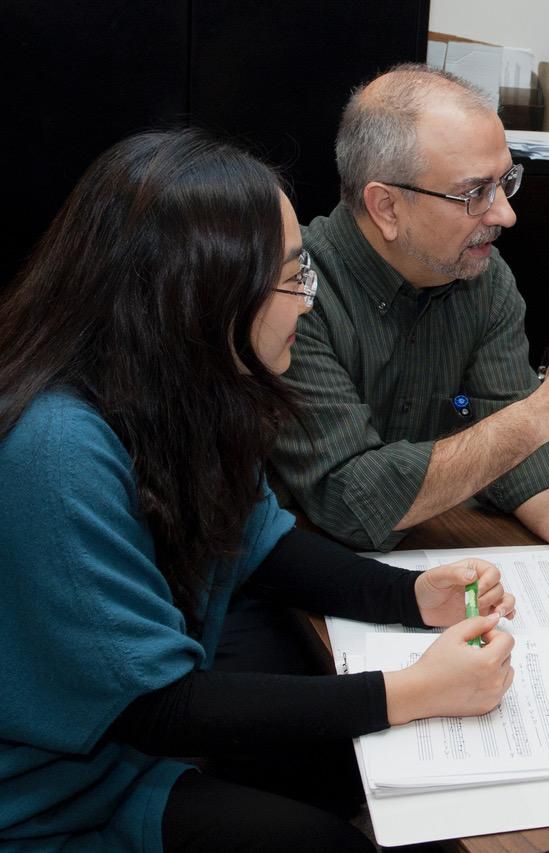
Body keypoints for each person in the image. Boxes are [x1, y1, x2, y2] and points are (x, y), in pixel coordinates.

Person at [0, 129, 519, 851]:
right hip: (43, 803)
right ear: (198, 296)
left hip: (120, 767)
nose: (306, 304)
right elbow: (157, 703)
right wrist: (414, 692)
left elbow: (259, 543)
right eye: (290, 278)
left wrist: (408, 596)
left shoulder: (191, 393)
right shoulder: (56, 449)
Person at [270, 64, 549, 602]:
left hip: (437, 576)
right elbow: (352, 500)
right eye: (473, 193)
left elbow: (520, 449)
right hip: (304, 590)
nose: (504, 214)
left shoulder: (482, 279)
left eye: (505, 181)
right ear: (385, 206)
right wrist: (538, 414)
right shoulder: (292, 296)